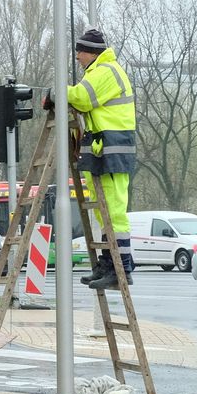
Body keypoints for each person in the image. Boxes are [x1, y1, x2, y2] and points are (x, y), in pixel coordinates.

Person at [45, 27, 137, 290]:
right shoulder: (100, 71)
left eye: (79, 52)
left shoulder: (106, 71)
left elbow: (83, 98)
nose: (77, 57)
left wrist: (56, 93)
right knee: (103, 211)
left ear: (90, 52)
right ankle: (109, 264)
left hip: (113, 147)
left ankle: (122, 268)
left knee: (114, 211)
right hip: (103, 146)